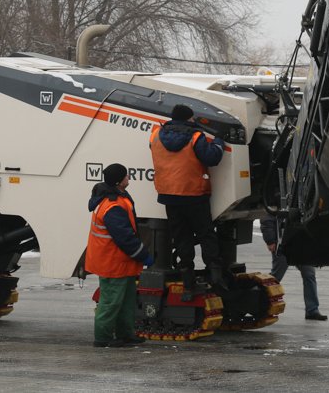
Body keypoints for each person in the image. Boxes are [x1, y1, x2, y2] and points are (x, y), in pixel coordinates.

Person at [150, 103, 226, 300]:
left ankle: (188, 286)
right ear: (189, 119)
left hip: (169, 196)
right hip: (194, 195)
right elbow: (212, 158)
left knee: (181, 238)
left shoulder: (156, 134)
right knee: (206, 234)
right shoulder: (195, 137)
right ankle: (216, 277)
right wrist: (219, 140)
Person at [85, 163, 153, 348]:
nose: (129, 178)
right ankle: (103, 338)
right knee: (111, 303)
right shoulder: (112, 205)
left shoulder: (116, 197)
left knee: (125, 301)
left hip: (121, 262)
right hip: (112, 262)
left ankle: (126, 334)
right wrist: (143, 255)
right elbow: (124, 237)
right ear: (118, 181)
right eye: (126, 176)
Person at [261, 214, 327, 320]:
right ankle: (260, 304)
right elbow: (267, 219)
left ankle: (312, 310)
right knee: (275, 278)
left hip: (302, 245)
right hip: (283, 245)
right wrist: (270, 240)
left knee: (309, 275)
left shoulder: (306, 199)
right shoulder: (278, 198)